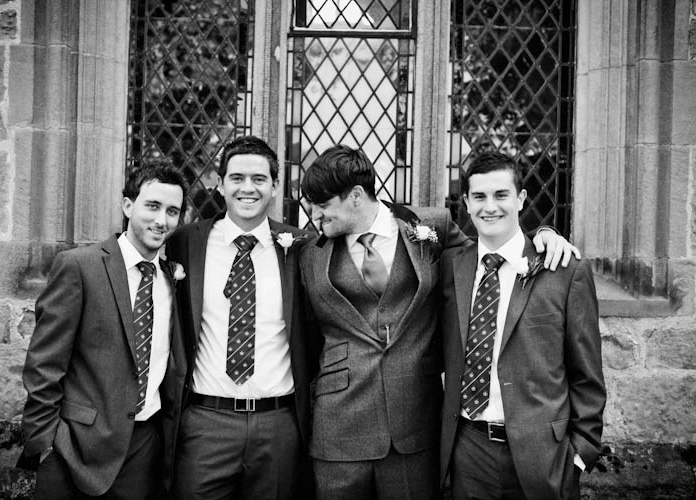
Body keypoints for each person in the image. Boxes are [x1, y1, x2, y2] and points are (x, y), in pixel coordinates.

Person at [297, 145, 578, 500]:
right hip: (338, 427)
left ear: (355, 196)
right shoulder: (309, 253)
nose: (314, 215)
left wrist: (543, 235)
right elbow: (304, 337)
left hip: (415, 425)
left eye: (322, 205)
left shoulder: (430, 226)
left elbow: (488, 252)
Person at [439, 151, 606, 500]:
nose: (490, 207)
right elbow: (399, 220)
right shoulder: (451, 266)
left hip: (544, 456)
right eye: (479, 197)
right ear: (466, 203)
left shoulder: (563, 270)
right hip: (468, 452)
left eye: (501, 195)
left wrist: (580, 454)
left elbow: (587, 375)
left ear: (521, 198)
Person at [18, 161, 189, 499]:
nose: (162, 220)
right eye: (152, 206)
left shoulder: (173, 278)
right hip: (74, 447)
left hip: (143, 449)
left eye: (172, 211)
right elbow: (44, 364)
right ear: (128, 205)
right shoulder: (80, 266)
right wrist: (44, 443)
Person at [166, 135, 313, 500]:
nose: (248, 188)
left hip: (277, 425)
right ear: (220, 183)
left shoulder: (301, 247)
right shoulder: (185, 242)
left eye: (259, 179)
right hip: (205, 423)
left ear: (275, 186)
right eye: (237, 178)